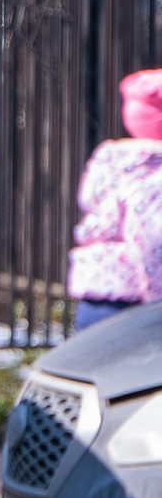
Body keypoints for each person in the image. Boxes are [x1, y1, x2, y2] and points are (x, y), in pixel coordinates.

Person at [68, 70, 162, 326]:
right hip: (133, 302)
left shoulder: (113, 159)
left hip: (96, 293)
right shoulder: (153, 171)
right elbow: (152, 238)